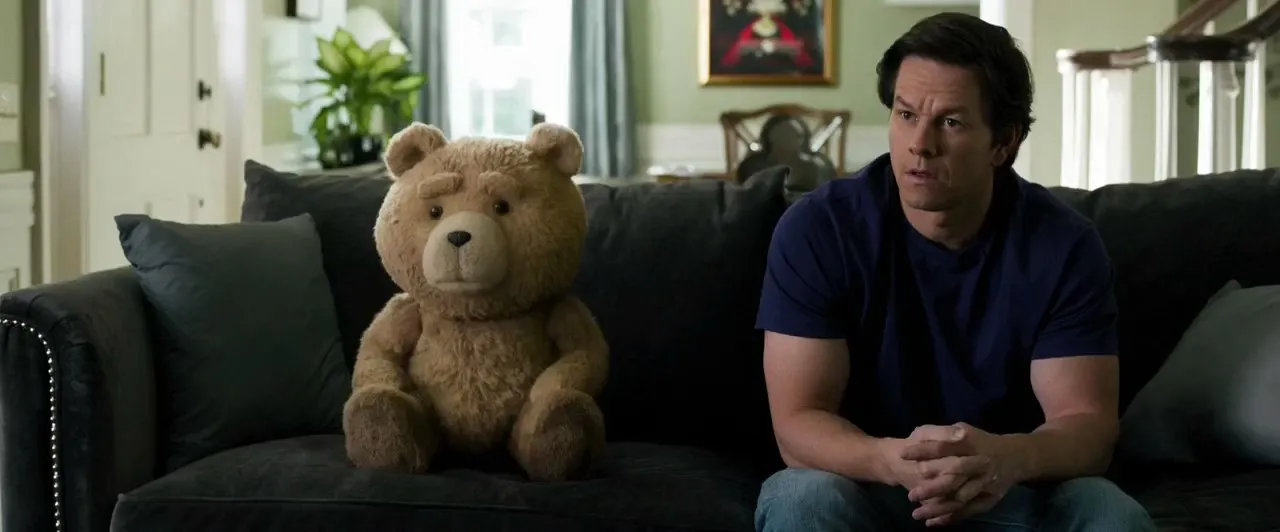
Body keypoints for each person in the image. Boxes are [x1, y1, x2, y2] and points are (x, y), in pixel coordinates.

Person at [752, 12, 1157, 532]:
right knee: (803, 500)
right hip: (863, 481)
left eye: (950, 122)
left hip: (1010, 486)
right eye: (905, 114)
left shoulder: (1064, 245)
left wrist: (1005, 459)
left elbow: (1086, 427)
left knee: (1109, 513)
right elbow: (798, 422)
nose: (920, 144)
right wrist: (890, 460)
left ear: (1003, 143)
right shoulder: (818, 229)